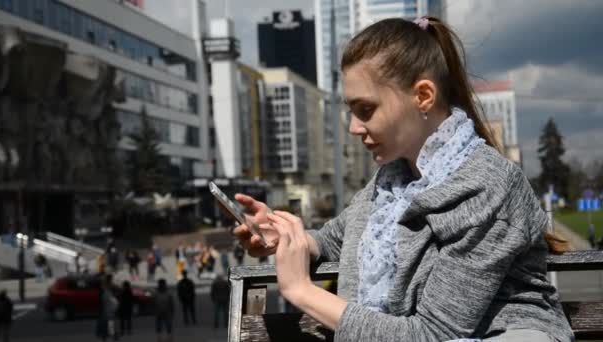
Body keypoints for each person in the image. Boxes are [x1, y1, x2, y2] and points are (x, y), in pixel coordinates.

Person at [232, 16, 573, 342]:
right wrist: (288, 238)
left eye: (365, 110)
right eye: (351, 111)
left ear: (423, 96)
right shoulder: (393, 181)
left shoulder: (486, 187)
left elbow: (431, 335)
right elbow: (338, 238)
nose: (353, 127)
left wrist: (301, 292)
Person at [96, 274, 119, 341]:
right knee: (110, 322)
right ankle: (112, 335)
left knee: (106, 323)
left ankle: (107, 336)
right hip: (109, 308)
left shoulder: (105, 287)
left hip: (106, 308)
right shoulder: (109, 287)